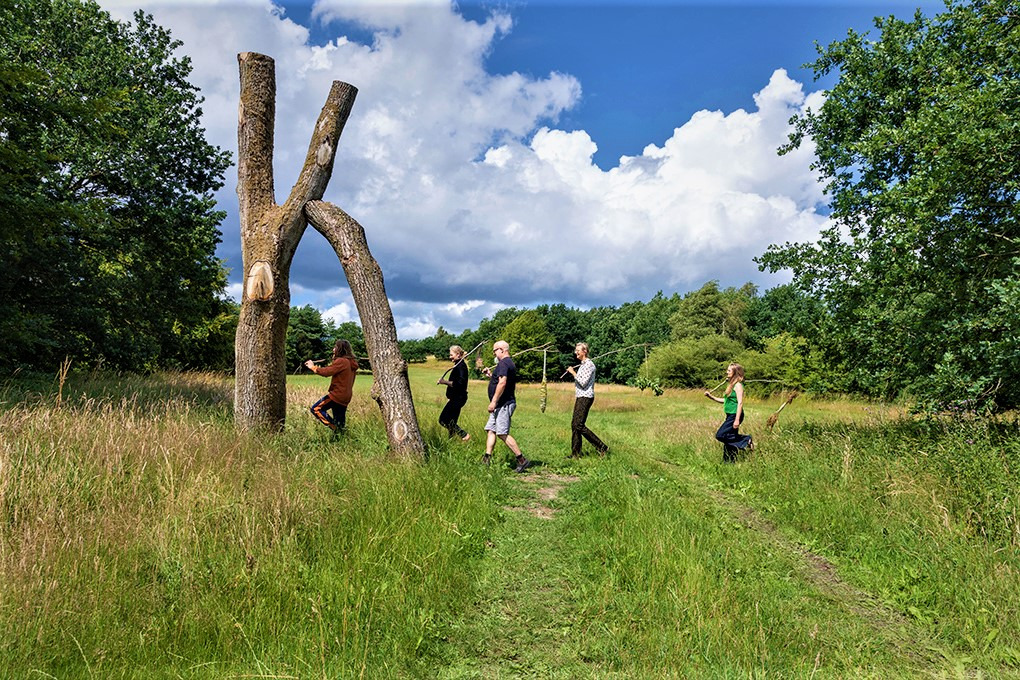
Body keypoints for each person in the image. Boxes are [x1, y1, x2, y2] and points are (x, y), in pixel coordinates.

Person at [481, 340, 531, 473]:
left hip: (503, 404)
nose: (494, 353)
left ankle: (521, 460)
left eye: (495, 350)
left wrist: (494, 402)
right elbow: (500, 380)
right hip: (499, 405)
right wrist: (491, 376)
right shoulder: (507, 363)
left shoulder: (504, 363)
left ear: (502, 350)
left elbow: (502, 383)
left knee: (502, 433)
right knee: (491, 430)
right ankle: (486, 458)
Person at [305, 339, 358, 435]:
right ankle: (341, 436)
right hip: (346, 396)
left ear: (340, 349)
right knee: (340, 420)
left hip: (337, 395)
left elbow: (326, 372)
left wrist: (313, 367)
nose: (333, 349)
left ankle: (336, 429)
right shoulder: (351, 362)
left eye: (335, 347)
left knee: (316, 409)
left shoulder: (342, 361)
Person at [565, 342, 609, 458]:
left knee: (579, 425)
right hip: (580, 396)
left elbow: (583, 383)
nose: (576, 352)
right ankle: (575, 454)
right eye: (575, 350)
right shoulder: (582, 365)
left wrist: (573, 372)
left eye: (578, 350)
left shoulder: (589, 365)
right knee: (575, 425)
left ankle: (602, 447)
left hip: (586, 397)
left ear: (584, 351)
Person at [705, 363, 753, 462]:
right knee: (730, 437)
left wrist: (736, 420)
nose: (727, 372)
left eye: (729, 370)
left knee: (720, 435)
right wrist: (711, 397)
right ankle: (729, 461)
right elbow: (725, 401)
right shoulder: (731, 385)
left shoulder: (738, 386)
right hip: (730, 415)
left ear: (735, 372)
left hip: (735, 415)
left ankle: (746, 439)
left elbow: (740, 403)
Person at [437, 345, 471, 441]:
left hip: (458, 398)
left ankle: (464, 435)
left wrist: (444, 382)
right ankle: (451, 441)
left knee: (443, 420)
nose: (450, 357)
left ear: (458, 355)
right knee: (452, 422)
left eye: (451, 355)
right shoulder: (458, 365)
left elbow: (459, 384)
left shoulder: (461, 367)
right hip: (456, 398)